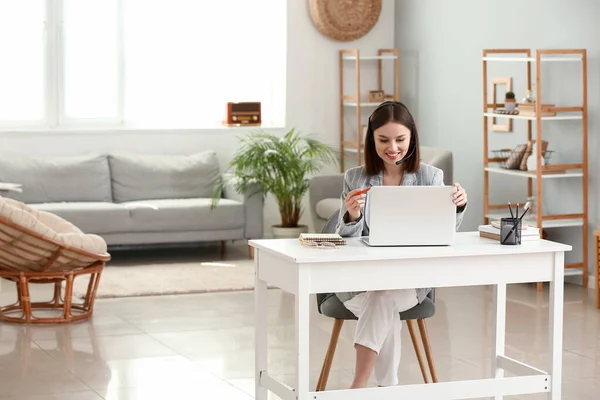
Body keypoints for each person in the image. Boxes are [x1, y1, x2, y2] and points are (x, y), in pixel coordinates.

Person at [334, 100, 468, 388]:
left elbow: (444, 235)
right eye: (383, 140)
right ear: (372, 139)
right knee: (383, 303)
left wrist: (457, 206)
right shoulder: (355, 177)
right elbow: (344, 240)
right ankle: (387, 388)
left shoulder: (430, 177)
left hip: (410, 283)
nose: (392, 147)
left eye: (400, 139)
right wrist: (352, 214)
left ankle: (358, 385)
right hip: (362, 283)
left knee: (384, 299)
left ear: (412, 138)